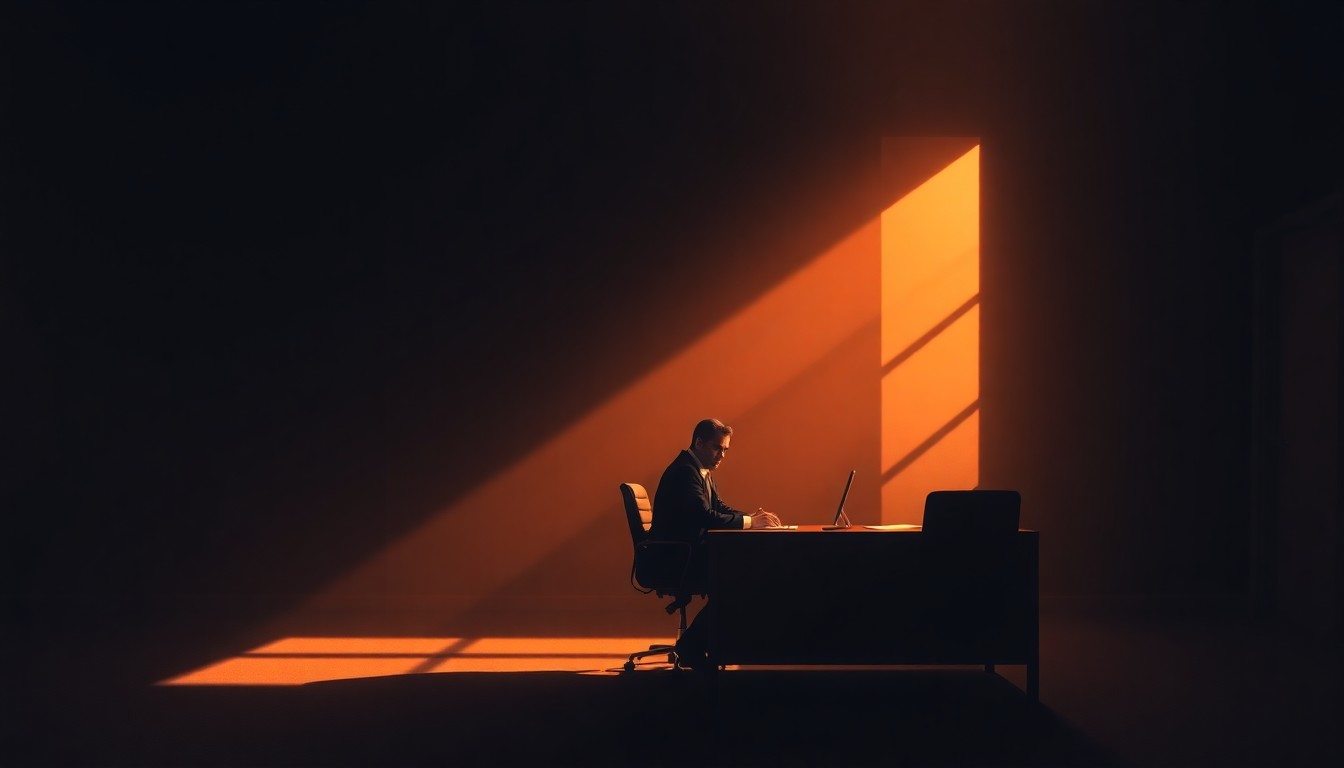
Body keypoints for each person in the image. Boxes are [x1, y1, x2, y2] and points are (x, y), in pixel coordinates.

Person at [651, 418, 782, 669]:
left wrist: (752, 519)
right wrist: (749, 523)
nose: (722, 455)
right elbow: (704, 516)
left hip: (689, 553)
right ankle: (692, 645)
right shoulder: (684, 472)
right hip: (677, 559)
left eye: (725, 450)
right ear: (699, 443)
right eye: (717, 448)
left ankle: (709, 643)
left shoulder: (699, 469)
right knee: (737, 580)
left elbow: (718, 507)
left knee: (741, 576)